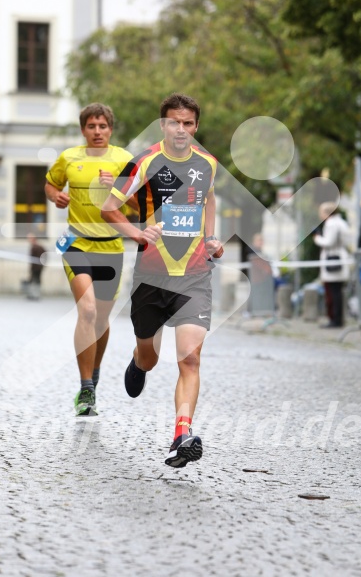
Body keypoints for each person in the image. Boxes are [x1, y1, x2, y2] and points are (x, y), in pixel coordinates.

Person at [101, 93, 223, 468]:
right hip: (152, 276)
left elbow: (209, 200)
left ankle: (180, 436)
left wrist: (211, 238)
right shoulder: (144, 161)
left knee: (190, 358)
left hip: (195, 275)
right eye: (174, 122)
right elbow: (109, 207)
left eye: (188, 123)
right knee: (151, 356)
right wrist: (136, 234)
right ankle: (138, 362)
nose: (181, 129)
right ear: (163, 125)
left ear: (196, 126)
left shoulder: (208, 164)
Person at [45, 103, 134, 416]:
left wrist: (119, 189)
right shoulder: (69, 157)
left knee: (101, 320)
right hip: (77, 244)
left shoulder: (124, 159)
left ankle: (93, 375)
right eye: (92, 126)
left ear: (111, 129)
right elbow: (51, 184)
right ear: (83, 129)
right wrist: (56, 196)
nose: (98, 132)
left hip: (111, 248)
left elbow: (140, 205)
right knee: (88, 310)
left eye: (103, 126)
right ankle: (85, 389)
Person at [313, 202, 351, 328]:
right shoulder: (341, 222)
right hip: (339, 257)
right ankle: (337, 318)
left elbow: (329, 242)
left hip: (333, 258)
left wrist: (317, 239)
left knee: (333, 292)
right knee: (337, 291)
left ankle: (335, 319)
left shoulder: (331, 223)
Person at [26, 233, 46, 300]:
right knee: (33, 281)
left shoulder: (37, 247)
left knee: (36, 281)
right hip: (35, 267)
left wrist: (42, 264)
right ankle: (33, 294)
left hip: (37, 268)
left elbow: (44, 255)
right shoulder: (36, 247)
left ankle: (35, 295)